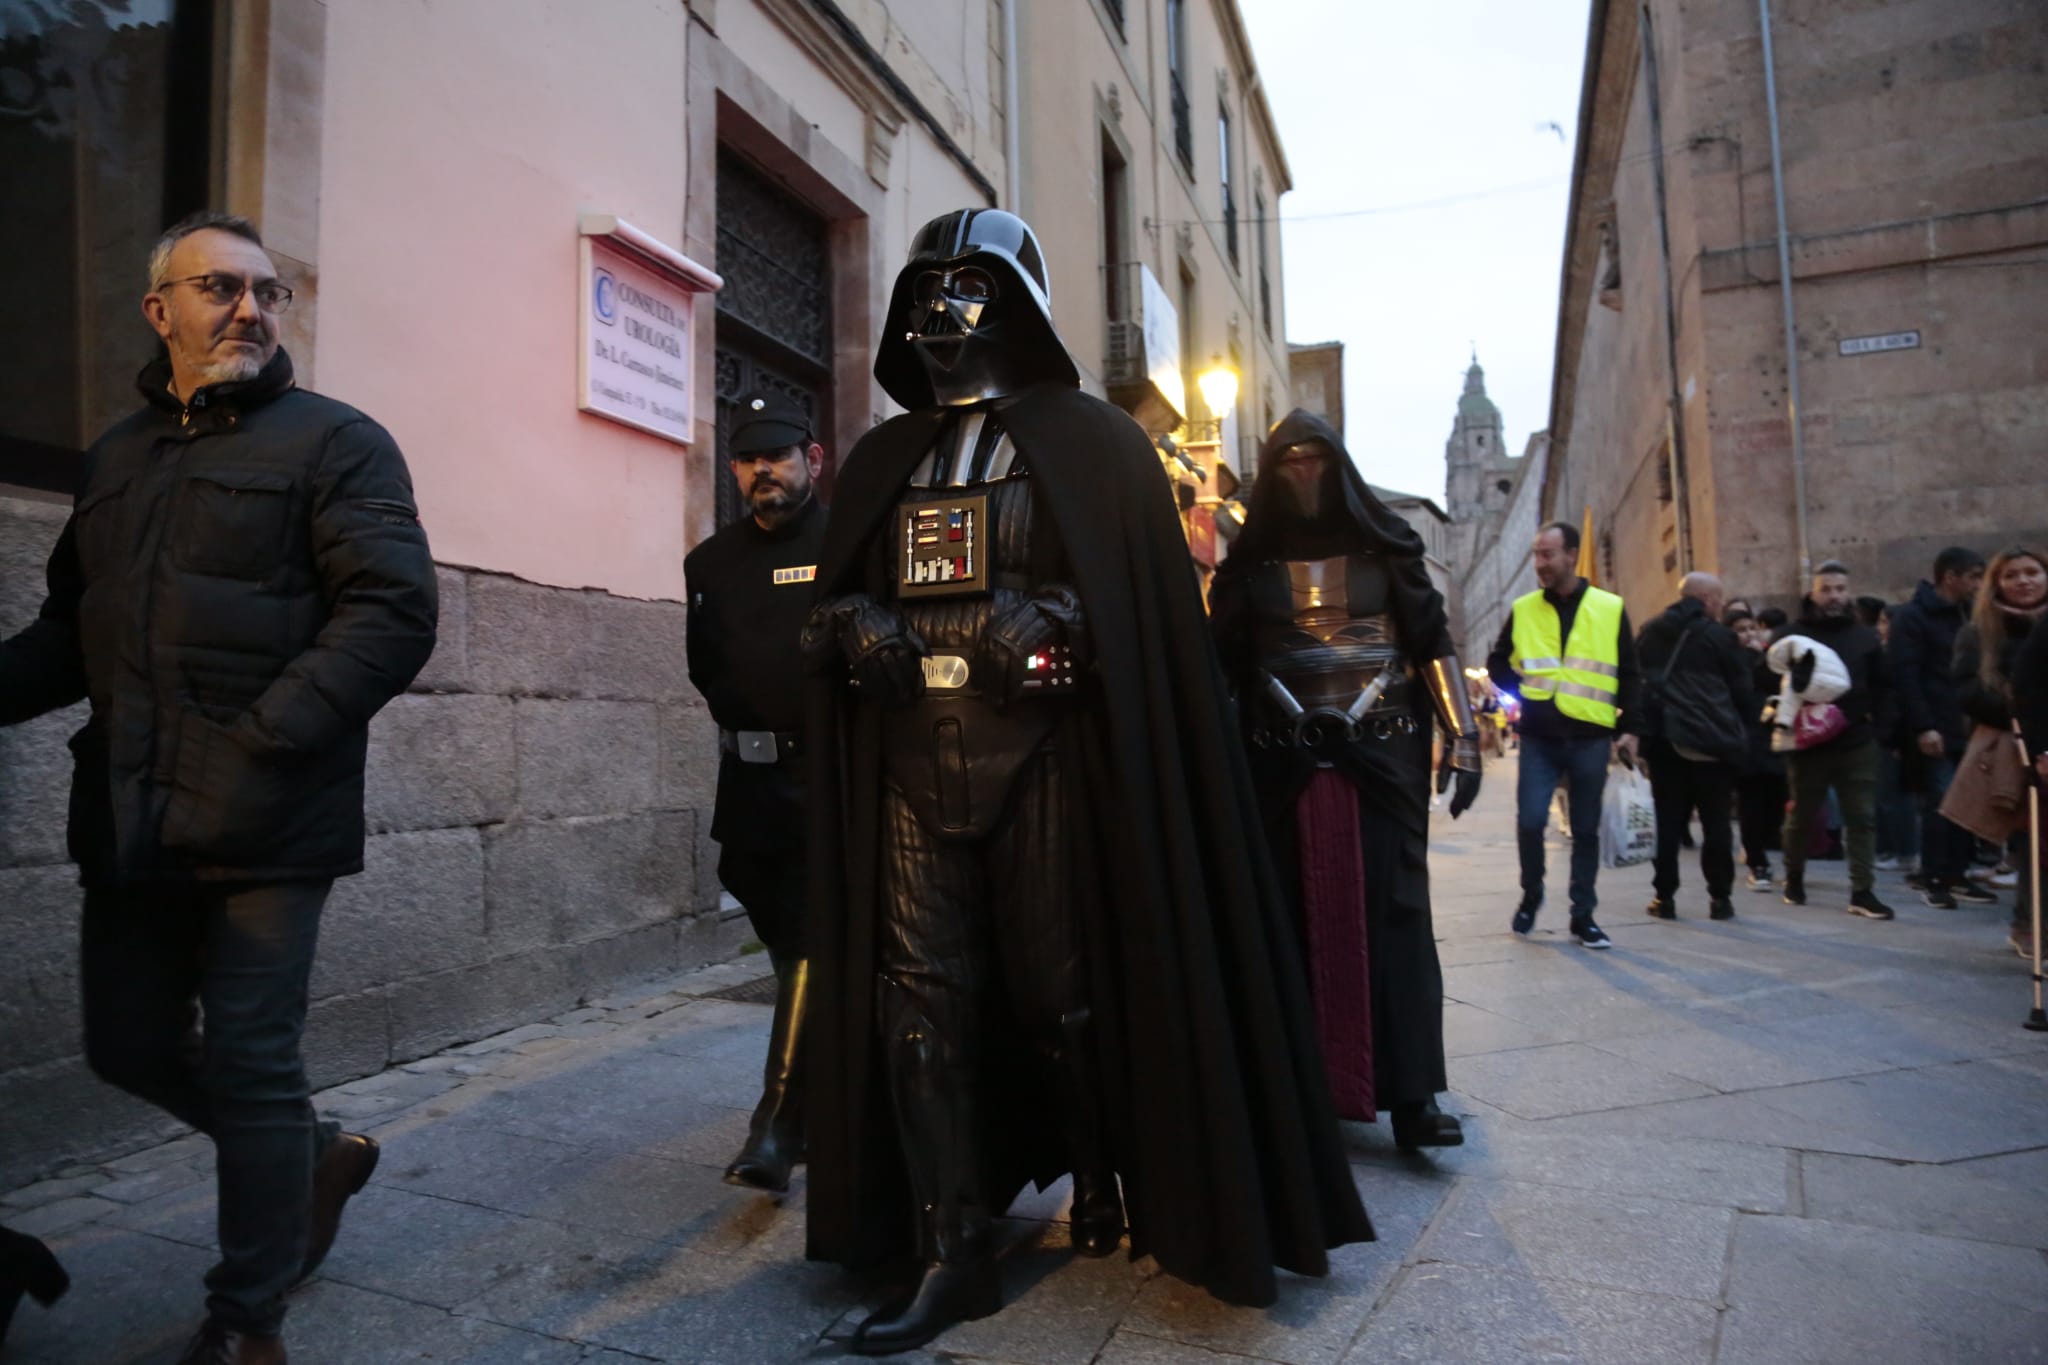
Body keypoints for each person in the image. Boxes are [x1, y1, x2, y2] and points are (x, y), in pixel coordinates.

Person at [798, 209, 1370, 1355]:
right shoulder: (879, 459)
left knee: (1062, 997)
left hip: (1042, 754)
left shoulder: (1098, 446)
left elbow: (1140, 618)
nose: (937, 315)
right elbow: (821, 608)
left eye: (966, 288)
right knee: (920, 1008)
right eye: (925, 290)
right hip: (912, 756)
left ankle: (1105, 1169)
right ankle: (950, 1248)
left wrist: (1054, 613)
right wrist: (853, 621)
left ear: (1013, 300)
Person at [0, 212, 437, 1364]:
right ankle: (314, 1154)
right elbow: (68, 632)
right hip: (131, 811)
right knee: (127, 1047)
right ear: (161, 312)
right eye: (219, 289)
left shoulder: (339, 442)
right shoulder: (116, 457)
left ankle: (246, 1322)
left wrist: (257, 744)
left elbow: (392, 613)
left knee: (248, 1060)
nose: (248, 308)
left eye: (265, 290)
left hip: (268, 815)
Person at [1209, 409, 1482, 1151]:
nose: (1303, 476)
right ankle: (1298, 1086)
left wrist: (1462, 734)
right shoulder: (1249, 567)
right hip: (1279, 762)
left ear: (1338, 465)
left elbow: (1429, 641)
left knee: (1395, 915)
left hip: (1380, 757)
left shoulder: (1386, 549)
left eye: (1314, 461)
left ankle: (1413, 1094)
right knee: (1286, 918)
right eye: (1288, 463)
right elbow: (1222, 665)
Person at [682, 392, 829, 1193]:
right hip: (750, 786)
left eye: (777, 454)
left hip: (830, 784)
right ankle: (824, 1096)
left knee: (811, 945)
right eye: (748, 458)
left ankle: (774, 1126)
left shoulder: (852, 544)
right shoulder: (710, 563)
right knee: (792, 953)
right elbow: (705, 668)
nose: (761, 470)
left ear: (814, 458)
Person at [1487, 521, 1644, 948]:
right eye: (1537, 554)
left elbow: (1629, 673)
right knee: (1531, 820)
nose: (1540, 563)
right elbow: (1497, 663)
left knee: (1586, 828)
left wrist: (1629, 728)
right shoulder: (1524, 609)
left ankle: (1583, 915)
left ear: (1572, 555)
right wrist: (1528, 692)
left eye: (1547, 554)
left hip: (1590, 735)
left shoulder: (1609, 608)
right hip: (1540, 735)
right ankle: (1531, 894)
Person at [1775, 562, 1894, 920]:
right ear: (1813, 592)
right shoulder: (1792, 635)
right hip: (1808, 744)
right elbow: (1764, 678)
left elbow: (1883, 686)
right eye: (1826, 589)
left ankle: (1862, 890)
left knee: (1861, 816)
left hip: (1857, 739)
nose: (1834, 596)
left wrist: (1882, 730)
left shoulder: (1865, 637)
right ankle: (1794, 876)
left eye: (1840, 589)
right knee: (1804, 814)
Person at [1635, 573, 1755, 921]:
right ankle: (1720, 898)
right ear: (1705, 598)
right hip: (1711, 744)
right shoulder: (1720, 637)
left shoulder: (1650, 631)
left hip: (1664, 742)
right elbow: (1741, 690)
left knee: (1668, 822)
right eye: (1718, 598)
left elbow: (1639, 682)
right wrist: (1741, 730)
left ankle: (1664, 896)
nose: (1721, 605)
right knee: (1716, 823)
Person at [1952, 547, 2047, 955]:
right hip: (2015, 745)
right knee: (2033, 841)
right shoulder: (1979, 631)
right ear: (1998, 583)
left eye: (2033, 572)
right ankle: (2029, 922)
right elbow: (1967, 689)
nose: (2024, 581)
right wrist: (2022, 714)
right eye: (2012, 575)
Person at [1887, 548, 1992, 907]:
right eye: (1974, 576)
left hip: (1968, 724)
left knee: (1966, 803)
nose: (1979, 584)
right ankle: (1932, 876)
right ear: (1951, 576)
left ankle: (1957, 872)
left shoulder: (1969, 614)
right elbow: (1906, 676)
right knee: (1940, 802)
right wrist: (1924, 726)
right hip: (1936, 725)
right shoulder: (1912, 617)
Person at [1726, 609, 1787, 889]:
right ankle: (1756, 860)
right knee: (1751, 802)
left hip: (1771, 737)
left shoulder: (1768, 659)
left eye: (1752, 628)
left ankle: (1763, 846)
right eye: (1741, 629)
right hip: (1743, 739)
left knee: (1776, 798)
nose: (1749, 634)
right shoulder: (1727, 661)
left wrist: (1761, 658)